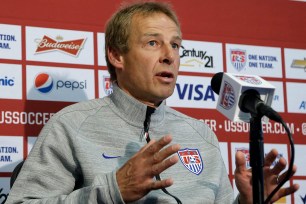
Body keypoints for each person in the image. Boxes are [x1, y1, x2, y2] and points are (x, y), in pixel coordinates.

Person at [6, 1, 299, 203]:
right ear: (116, 56)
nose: (170, 55)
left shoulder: (201, 134)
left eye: (175, 44)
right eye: (152, 43)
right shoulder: (70, 126)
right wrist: (113, 190)